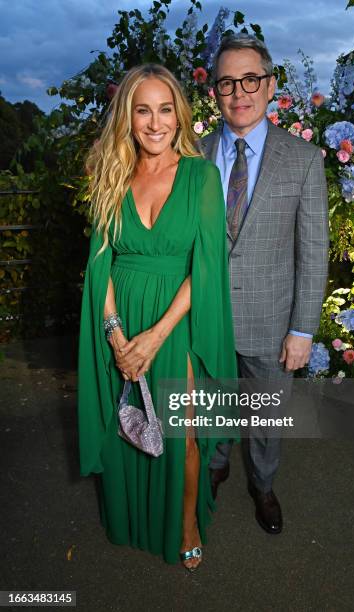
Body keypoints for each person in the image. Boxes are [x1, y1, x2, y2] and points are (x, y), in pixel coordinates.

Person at [77, 63, 237, 571]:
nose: (155, 123)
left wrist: (155, 337)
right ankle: (130, 515)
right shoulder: (110, 174)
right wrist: (117, 335)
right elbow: (100, 263)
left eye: (165, 109)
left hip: (177, 320)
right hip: (119, 317)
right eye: (142, 110)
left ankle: (186, 521)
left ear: (180, 115)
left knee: (181, 432)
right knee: (124, 422)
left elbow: (205, 265)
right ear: (128, 116)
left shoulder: (201, 176)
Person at [200, 34, 329, 534]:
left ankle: (263, 484)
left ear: (270, 84)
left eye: (250, 79)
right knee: (210, 405)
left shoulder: (302, 159)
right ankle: (214, 465)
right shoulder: (191, 155)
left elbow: (313, 250)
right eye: (227, 81)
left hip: (272, 323)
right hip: (205, 317)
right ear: (214, 91)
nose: (240, 92)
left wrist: (303, 329)